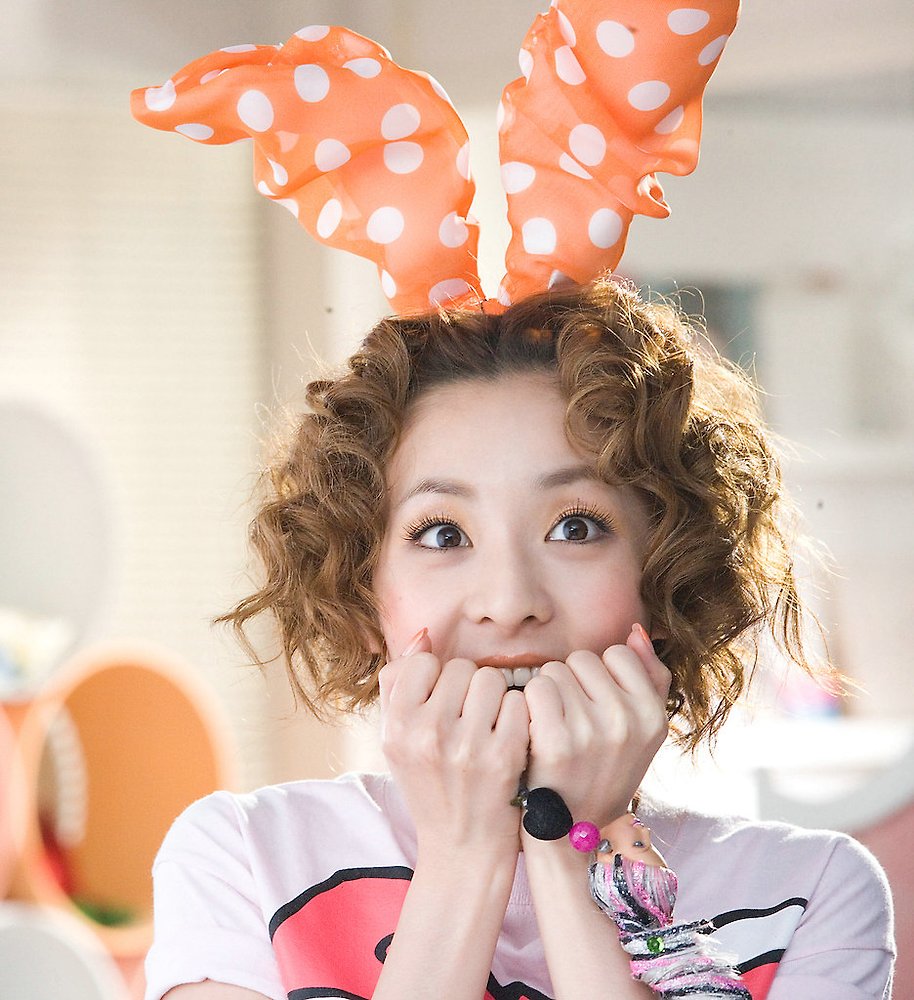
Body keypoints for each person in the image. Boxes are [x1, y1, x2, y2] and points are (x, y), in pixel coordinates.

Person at [131, 4, 895, 999]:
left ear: (666, 570)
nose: (508, 600)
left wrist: (568, 850)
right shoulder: (241, 859)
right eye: (440, 531)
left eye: (575, 526)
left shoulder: (812, 893)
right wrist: (462, 857)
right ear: (362, 586)